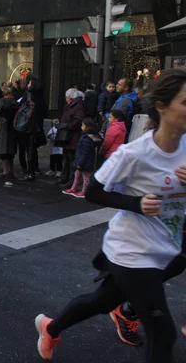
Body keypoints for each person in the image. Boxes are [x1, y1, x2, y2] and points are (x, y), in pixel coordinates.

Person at [35, 68, 186, 362]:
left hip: (165, 248)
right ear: (162, 106)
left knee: (100, 302)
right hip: (131, 250)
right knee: (163, 332)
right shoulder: (135, 154)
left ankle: (50, 328)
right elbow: (94, 192)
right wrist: (137, 204)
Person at [62, 117, 100, 198]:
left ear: (87, 127)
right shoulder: (85, 137)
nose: (81, 127)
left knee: (85, 177)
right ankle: (74, 188)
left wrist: (80, 163)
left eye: (83, 125)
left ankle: (84, 191)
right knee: (77, 175)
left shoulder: (87, 139)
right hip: (82, 161)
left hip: (84, 162)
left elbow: (85, 153)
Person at [18, 78, 47, 181]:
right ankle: (34, 168)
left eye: (29, 83)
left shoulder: (29, 95)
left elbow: (20, 106)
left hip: (27, 125)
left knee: (27, 148)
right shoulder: (41, 97)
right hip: (37, 126)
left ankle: (29, 171)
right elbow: (45, 112)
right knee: (32, 148)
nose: (27, 84)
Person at [55, 88, 85, 187]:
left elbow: (78, 120)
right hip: (68, 136)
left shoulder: (77, 107)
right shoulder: (73, 106)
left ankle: (72, 180)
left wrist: (67, 126)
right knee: (66, 158)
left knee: (71, 159)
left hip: (72, 135)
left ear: (69, 98)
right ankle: (65, 177)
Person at [0, 86, 18, 187]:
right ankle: (11, 170)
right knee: (11, 149)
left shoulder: (2, 100)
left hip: (3, 126)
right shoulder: (15, 102)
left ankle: (5, 170)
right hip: (13, 127)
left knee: (3, 149)